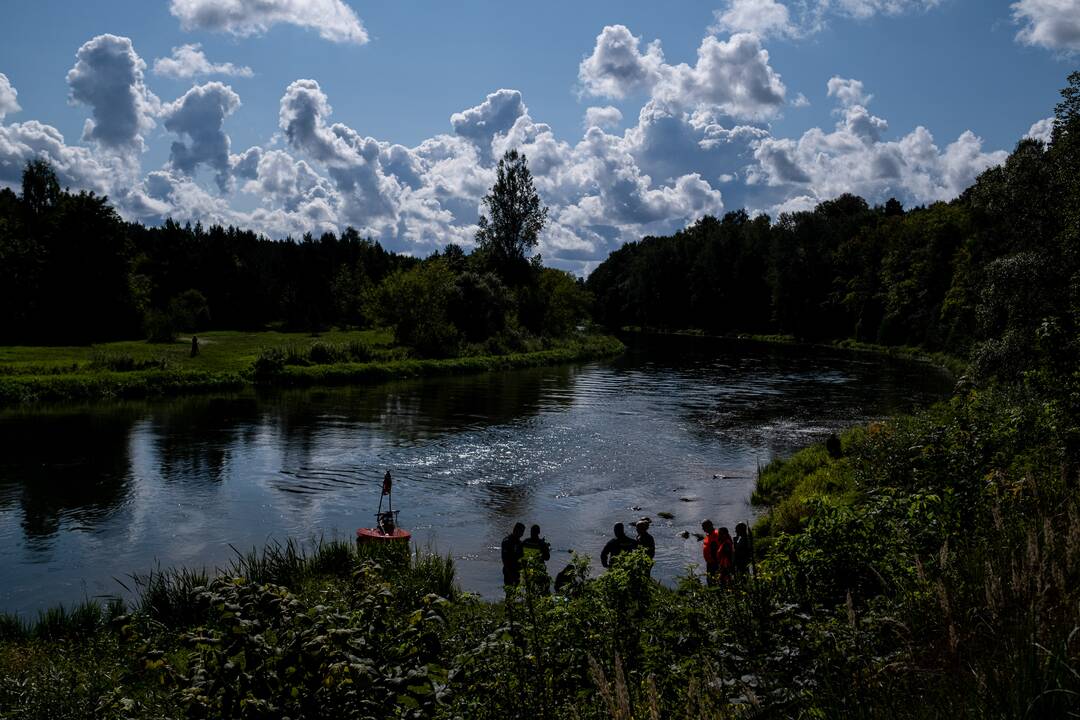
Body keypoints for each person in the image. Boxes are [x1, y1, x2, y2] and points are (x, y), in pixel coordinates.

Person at [501, 522, 526, 587]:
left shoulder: (520, 543)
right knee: (509, 590)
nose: (522, 534)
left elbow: (522, 557)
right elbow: (504, 558)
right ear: (516, 530)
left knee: (515, 590)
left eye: (523, 532)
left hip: (517, 570)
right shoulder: (507, 541)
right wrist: (509, 571)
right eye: (521, 531)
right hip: (509, 570)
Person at [701, 519, 721, 584]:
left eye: (704, 527)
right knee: (710, 580)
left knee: (715, 581)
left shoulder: (716, 534)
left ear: (710, 526)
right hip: (710, 563)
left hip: (715, 563)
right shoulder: (709, 535)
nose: (703, 529)